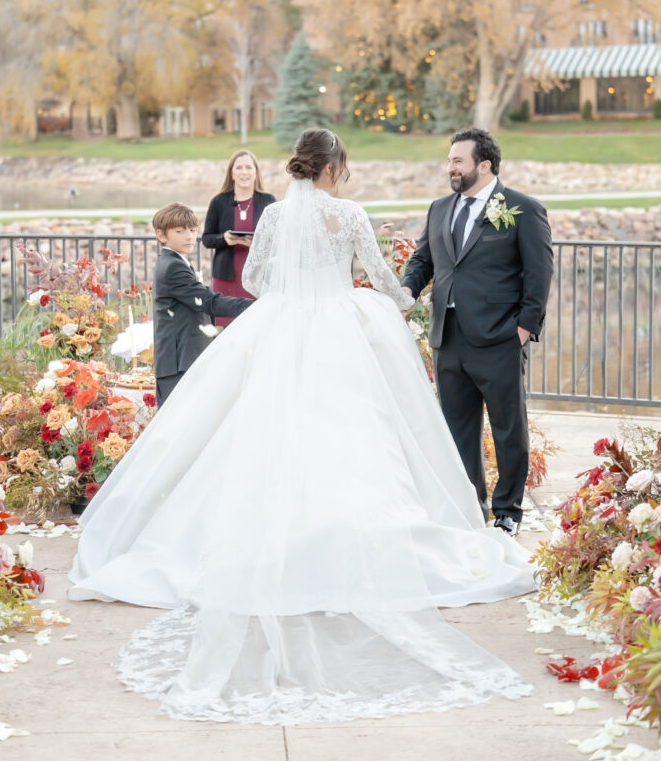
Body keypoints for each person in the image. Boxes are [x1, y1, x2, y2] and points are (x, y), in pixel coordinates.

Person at [68, 128, 536, 725]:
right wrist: (399, 301)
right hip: (341, 330)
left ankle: (283, 540)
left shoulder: (273, 218)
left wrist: (299, 292)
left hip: (285, 329)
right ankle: (341, 543)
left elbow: (259, 281)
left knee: (273, 437)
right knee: (353, 439)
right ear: (333, 165)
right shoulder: (349, 214)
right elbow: (386, 281)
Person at [402, 128, 554, 537]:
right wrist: (405, 288)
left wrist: (523, 329)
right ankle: (471, 509)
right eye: (449, 160)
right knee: (457, 431)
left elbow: (539, 277)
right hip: (447, 339)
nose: (449, 167)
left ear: (483, 165)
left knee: (509, 429)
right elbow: (423, 260)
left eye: (457, 160)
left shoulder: (523, 208)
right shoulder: (438, 209)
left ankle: (508, 511)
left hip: (500, 339)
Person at [152, 202, 252, 407]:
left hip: (183, 356)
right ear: (162, 235)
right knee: (177, 423)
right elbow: (207, 301)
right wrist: (253, 306)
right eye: (180, 231)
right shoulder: (172, 266)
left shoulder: (174, 261)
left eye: (192, 230)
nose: (189, 236)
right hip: (178, 361)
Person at [201, 150, 275, 327]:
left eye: (248, 167)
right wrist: (224, 238)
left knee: (257, 326)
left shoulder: (268, 201)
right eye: (239, 168)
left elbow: (279, 238)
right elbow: (207, 239)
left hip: (257, 278)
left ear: (256, 172)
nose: (244, 172)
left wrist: (257, 244)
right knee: (226, 330)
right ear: (232, 173)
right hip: (226, 278)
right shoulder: (218, 202)